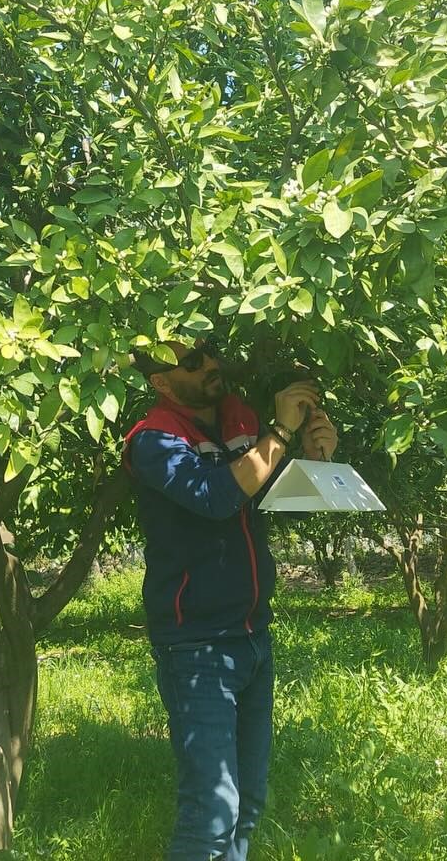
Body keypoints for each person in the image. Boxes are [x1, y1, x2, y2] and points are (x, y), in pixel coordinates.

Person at [124, 338, 339, 860]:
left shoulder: (239, 421)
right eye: (191, 362)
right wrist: (280, 432)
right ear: (160, 381)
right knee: (211, 816)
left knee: (248, 805)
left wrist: (315, 458)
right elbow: (215, 497)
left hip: (253, 637)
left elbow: (268, 498)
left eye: (207, 351)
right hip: (196, 646)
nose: (209, 364)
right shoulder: (153, 439)